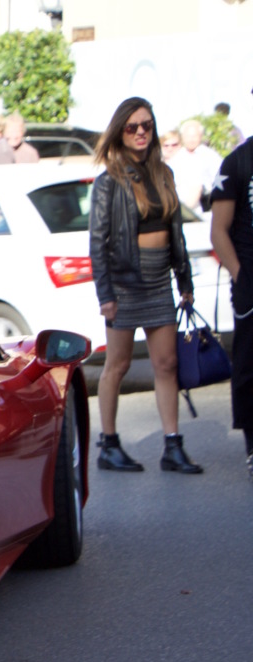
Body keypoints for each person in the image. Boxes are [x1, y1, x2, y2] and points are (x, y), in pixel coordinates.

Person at [90, 96, 202, 474]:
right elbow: (98, 241)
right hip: (124, 283)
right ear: (120, 132)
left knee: (167, 364)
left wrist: (183, 280)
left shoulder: (163, 174)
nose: (140, 132)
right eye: (132, 127)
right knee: (117, 365)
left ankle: (173, 445)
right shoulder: (108, 182)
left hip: (159, 282)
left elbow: (177, 233)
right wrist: (105, 294)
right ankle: (109, 443)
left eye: (147, 126)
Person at [209, 108, 253, 479]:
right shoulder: (238, 162)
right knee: (250, 366)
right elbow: (218, 231)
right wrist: (240, 275)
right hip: (251, 281)